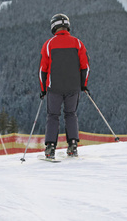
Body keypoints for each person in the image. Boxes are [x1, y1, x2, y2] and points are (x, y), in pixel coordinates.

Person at [39, 13, 90, 159]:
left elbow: (42, 70)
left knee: (53, 116)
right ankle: (73, 145)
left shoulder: (49, 44)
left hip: (54, 88)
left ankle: (50, 148)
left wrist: (43, 89)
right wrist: (83, 85)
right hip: (73, 88)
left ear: (53, 26)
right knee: (71, 114)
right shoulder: (78, 43)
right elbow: (85, 67)